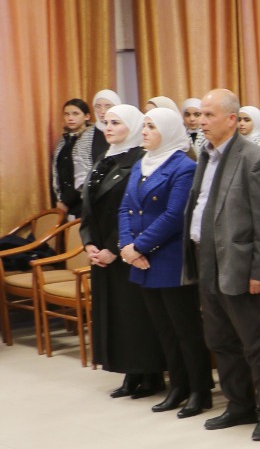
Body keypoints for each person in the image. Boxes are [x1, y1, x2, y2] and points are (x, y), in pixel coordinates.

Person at [184, 89, 260, 439]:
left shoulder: (254, 158)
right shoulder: (205, 154)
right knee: (220, 338)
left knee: (254, 341)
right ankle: (239, 405)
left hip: (240, 263)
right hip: (206, 257)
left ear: (230, 119)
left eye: (208, 115)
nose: (201, 121)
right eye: (199, 114)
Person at [119, 108, 214, 421]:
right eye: (144, 126)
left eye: (151, 126)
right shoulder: (142, 162)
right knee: (163, 328)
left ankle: (200, 389)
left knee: (185, 329)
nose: (144, 131)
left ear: (169, 130)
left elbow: (174, 216)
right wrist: (126, 246)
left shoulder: (183, 167)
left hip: (169, 259)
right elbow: (125, 208)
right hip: (141, 260)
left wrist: (139, 246)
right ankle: (178, 385)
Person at [82, 105, 164, 401]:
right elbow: (88, 204)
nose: (108, 128)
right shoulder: (103, 158)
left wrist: (113, 248)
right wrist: (88, 242)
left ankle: (149, 373)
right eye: (106, 122)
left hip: (127, 250)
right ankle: (129, 372)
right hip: (101, 250)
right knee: (115, 313)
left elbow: (134, 211)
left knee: (135, 315)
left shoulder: (140, 160)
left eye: (116, 123)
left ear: (133, 127)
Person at [51, 98, 108, 214]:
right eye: (67, 114)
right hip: (64, 202)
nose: (70, 118)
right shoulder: (63, 141)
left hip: (84, 201)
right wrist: (60, 200)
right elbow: (58, 173)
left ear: (87, 116)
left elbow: (89, 173)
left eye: (75, 114)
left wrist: (66, 201)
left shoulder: (93, 139)